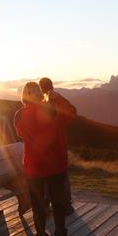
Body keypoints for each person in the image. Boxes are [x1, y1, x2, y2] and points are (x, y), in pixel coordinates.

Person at [14, 81, 73, 236]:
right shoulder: (52, 110)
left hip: (33, 168)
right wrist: (57, 97)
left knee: (38, 207)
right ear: (40, 94)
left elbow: (20, 133)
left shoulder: (19, 115)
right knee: (58, 204)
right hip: (55, 166)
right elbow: (70, 114)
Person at [39, 77, 77, 215]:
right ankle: (63, 205)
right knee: (60, 177)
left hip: (46, 148)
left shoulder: (42, 101)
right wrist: (58, 99)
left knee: (48, 178)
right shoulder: (52, 101)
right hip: (55, 146)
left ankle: (50, 205)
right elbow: (71, 113)